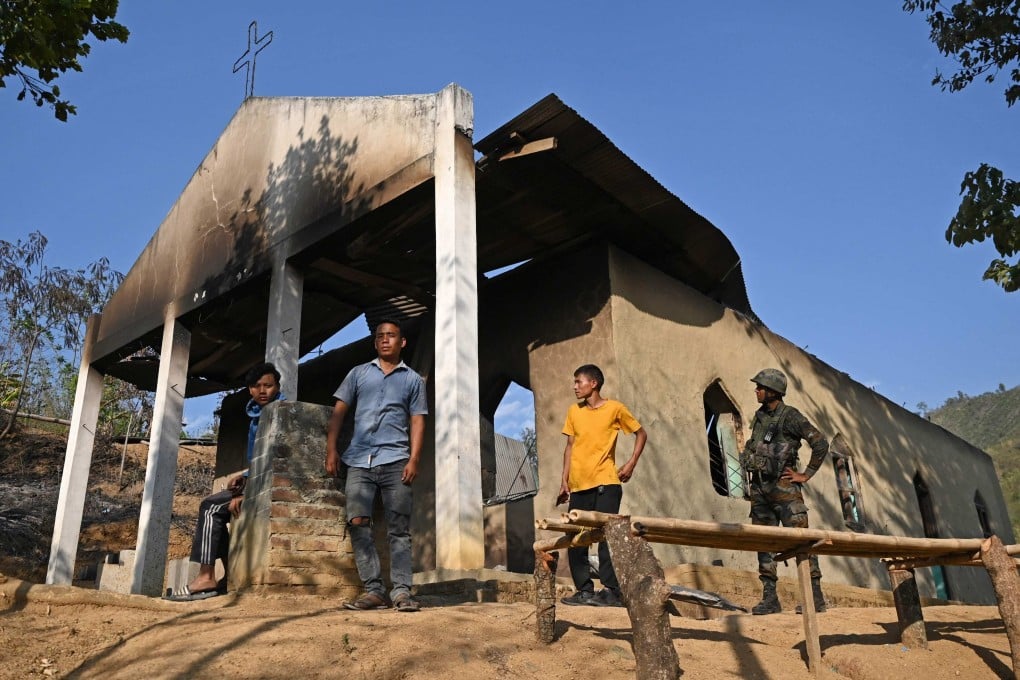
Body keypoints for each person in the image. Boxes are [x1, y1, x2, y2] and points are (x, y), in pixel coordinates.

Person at [325, 319, 427, 613]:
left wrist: (414, 458)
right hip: (358, 460)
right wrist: (332, 449)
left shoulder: (412, 380)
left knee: (399, 528)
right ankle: (373, 591)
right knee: (358, 523)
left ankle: (402, 591)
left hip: (396, 460)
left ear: (402, 342)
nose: (385, 340)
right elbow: (339, 412)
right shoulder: (358, 374)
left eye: (391, 336)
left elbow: (418, 420)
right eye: (380, 336)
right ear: (375, 342)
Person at [165, 362, 283, 601]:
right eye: (256, 386)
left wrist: (246, 492)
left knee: (211, 508)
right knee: (212, 507)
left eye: (268, 386)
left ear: (277, 387)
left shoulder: (281, 412)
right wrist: (245, 476)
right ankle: (227, 575)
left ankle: (206, 576)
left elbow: (276, 457)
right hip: (256, 480)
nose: (263, 391)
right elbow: (259, 458)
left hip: (272, 485)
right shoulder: (255, 415)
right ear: (249, 389)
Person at [741, 368, 829, 615]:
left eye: (760, 387)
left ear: (772, 391)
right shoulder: (760, 417)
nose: (756, 390)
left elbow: (820, 443)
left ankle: (816, 598)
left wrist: (806, 475)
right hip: (761, 490)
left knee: (801, 541)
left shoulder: (790, 416)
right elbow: (752, 447)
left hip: (784, 489)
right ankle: (770, 599)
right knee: (764, 543)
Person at [559, 364, 647, 607]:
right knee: (575, 538)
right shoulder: (573, 412)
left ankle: (611, 590)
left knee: (608, 536)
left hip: (606, 483)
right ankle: (585, 590)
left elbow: (641, 434)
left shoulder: (615, 408)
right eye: (575, 382)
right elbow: (570, 447)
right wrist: (564, 481)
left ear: (593, 383)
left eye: (579, 382)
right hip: (579, 486)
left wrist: (631, 463)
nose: (575, 386)